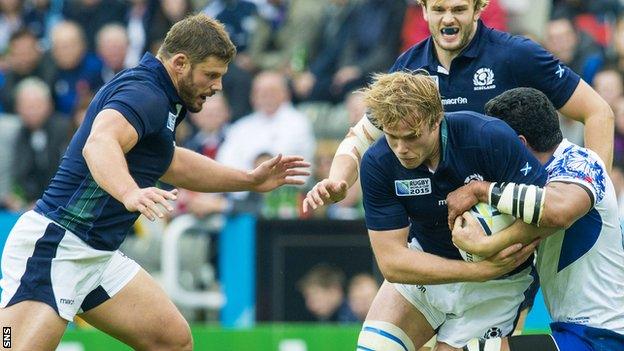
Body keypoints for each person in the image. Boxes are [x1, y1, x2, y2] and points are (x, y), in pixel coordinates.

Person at [0, 14, 309, 351]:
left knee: (172, 342)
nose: (217, 86)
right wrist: (128, 191)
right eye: (211, 75)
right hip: (55, 247)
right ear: (179, 63)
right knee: (9, 344)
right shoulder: (144, 93)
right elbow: (99, 143)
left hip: (96, 255)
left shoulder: (161, 95)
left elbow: (171, 161)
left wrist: (248, 180)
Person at [303, 0, 612, 213]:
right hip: (433, 229)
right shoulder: (409, 68)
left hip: (505, 224)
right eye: (438, 8)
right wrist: (338, 180)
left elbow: (598, 112)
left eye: (459, 8)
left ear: (477, 9)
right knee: (380, 311)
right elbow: (358, 138)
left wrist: (597, 196)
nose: (448, 18)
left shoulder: (516, 54)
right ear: (423, 11)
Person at [355, 71, 540, 351]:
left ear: (436, 119)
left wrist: (493, 246)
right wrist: (477, 270)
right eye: (392, 137)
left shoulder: (487, 136)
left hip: (498, 283)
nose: (401, 149)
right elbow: (391, 262)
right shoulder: (378, 162)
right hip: (429, 266)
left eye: (411, 136)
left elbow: (551, 211)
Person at [445, 87, 624, 351]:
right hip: (576, 332)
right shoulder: (531, 180)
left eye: (493, 141)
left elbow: (558, 212)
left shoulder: (580, 164)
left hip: (604, 335)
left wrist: (480, 190)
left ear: (519, 143)